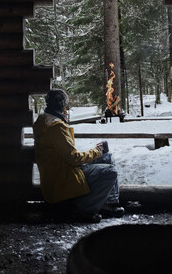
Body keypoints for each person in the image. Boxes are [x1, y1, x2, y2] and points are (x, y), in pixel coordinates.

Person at [33, 89, 124, 222]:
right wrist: (97, 151)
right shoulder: (55, 126)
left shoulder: (44, 120)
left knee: (107, 158)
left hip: (61, 170)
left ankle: (108, 203)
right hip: (63, 175)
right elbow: (74, 158)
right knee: (110, 171)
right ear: (62, 104)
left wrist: (98, 153)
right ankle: (83, 209)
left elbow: (65, 152)